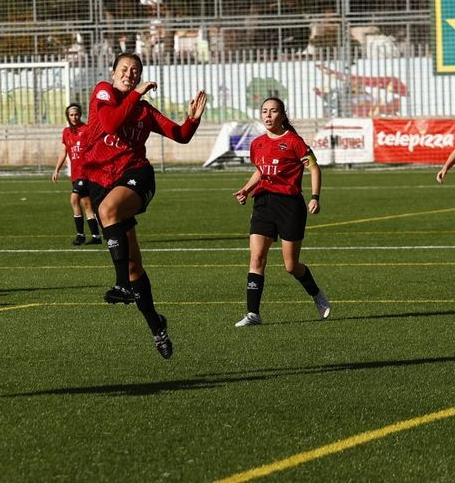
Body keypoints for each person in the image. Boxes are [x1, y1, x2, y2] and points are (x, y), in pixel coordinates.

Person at [83, 52, 207, 359]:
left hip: (136, 175)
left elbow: (180, 135)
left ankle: (121, 285)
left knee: (107, 211)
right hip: (101, 182)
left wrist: (192, 118)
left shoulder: (143, 110)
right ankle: (156, 325)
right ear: (113, 73)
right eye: (124, 69)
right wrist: (136, 94)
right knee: (134, 265)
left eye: (135, 71)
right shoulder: (103, 91)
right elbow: (111, 122)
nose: (130, 74)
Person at [232, 97, 331, 327]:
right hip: (263, 203)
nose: (268, 115)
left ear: (283, 115)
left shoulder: (294, 142)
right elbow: (261, 171)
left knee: (291, 266)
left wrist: (315, 197)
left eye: (273, 111)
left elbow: (314, 169)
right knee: (257, 258)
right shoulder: (257, 143)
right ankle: (253, 313)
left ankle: (317, 294)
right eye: (264, 111)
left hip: (290, 205)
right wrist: (247, 189)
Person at [51, 103, 102, 246]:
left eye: (76, 114)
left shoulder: (86, 129)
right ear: (68, 116)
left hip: (85, 173)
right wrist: (56, 170)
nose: (74, 117)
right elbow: (64, 152)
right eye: (71, 115)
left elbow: (96, 148)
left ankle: (80, 236)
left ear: (80, 115)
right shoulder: (66, 132)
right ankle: (96, 236)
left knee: (74, 200)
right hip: (75, 173)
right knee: (87, 204)